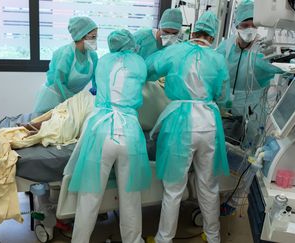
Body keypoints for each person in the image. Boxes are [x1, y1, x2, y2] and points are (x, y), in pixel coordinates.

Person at [146, 11, 230, 243]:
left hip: (180, 124)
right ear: (212, 37)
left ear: (192, 32)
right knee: (208, 185)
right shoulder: (218, 59)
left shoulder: (175, 51)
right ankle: (213, 237)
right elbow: (224, 97)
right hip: (209, 124)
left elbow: (148, 70)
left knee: (173, 188)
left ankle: (165, 238)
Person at [64, 29, 151, 243]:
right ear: (131, 44)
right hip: (129, 135)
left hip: (101, 132)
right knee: (130, 198)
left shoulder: (102, 62)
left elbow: (97, 88)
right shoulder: (139, 63)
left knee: (89, 197)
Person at [216, 0, 283, 148]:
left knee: (248, 150)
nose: (250, 29)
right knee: (221, 145)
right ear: (236, 25)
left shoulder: (263, 50)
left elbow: (281, 67)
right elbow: (212, 71)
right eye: (245, 25)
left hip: (253, 110)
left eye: (254, 25)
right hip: (225, 108)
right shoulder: (226, 46)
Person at [33, 16, 98, 113]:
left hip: (71, 100)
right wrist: (74, 101)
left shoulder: (92, 56)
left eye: (96, 37)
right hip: (53, 97)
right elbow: (58, 82)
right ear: (81, 35)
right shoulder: (67, 54)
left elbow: (96, 78)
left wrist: (97, 93)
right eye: (93, 36)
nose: (95, 40)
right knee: (46, 125)